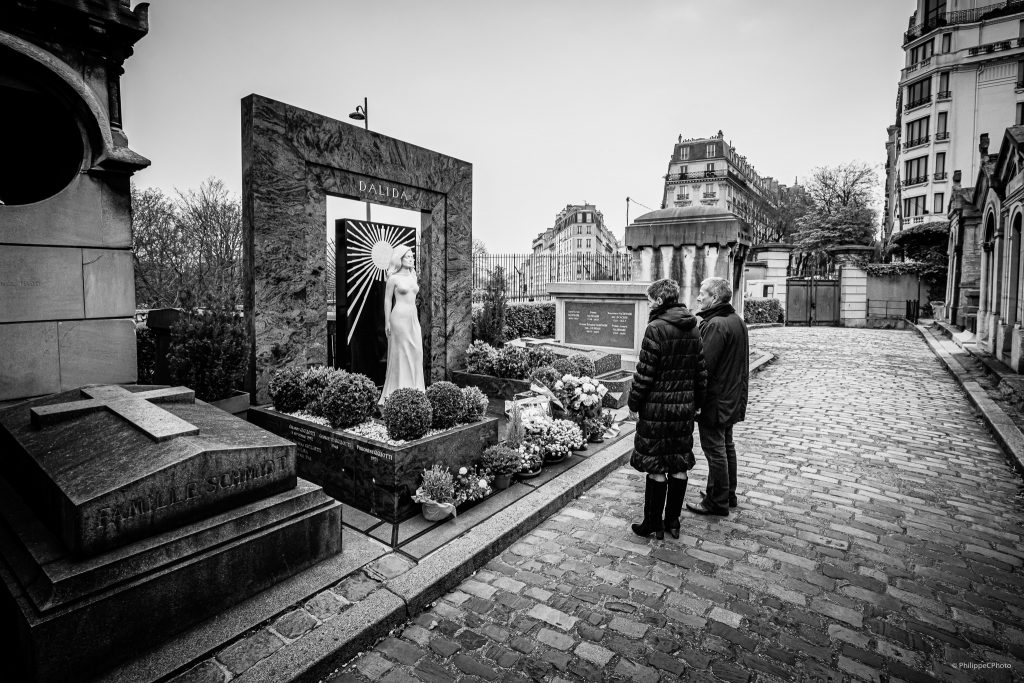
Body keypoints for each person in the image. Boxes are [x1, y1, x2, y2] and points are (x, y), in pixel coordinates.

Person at [627, 278, 706, 540]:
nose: (649, 304)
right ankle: (673, 521)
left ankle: (652, 523)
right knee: (678, 463)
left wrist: (633, 403)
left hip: (657, 409)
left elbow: (644, 374)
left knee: (657, 466)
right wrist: (698, 404)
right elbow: (700, 372)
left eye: (650, 300)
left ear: (660, 300)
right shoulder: (694, 326)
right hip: (683, 408)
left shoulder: (656, 328)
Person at [687, 276, 749, 516]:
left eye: (702, 292)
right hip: (731, 396)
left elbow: (704, 367)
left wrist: (697, 402)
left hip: (716, 399)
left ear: (714, 297)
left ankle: (717, 502)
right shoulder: (736, 320)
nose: (698, 296)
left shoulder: (714, 324)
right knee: (726, 446)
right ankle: (725, 494)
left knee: (715, 450)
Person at [379, 245, 425, 404]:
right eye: (408, 257)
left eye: (412, 256)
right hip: (398, 319)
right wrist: (387, 322)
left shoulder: (413, 277)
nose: (411, 259)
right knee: (401, 354)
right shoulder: (393, 278)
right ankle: (395, 393)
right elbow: (387, 300)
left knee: (416, 352)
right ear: (399, 259)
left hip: (413, 318)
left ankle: (416, 390)